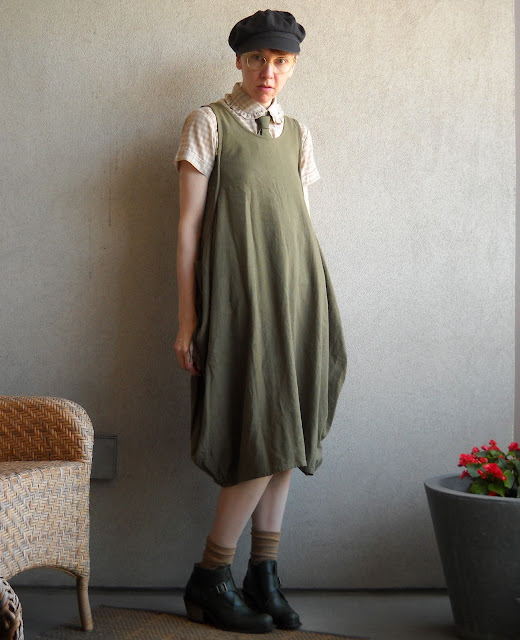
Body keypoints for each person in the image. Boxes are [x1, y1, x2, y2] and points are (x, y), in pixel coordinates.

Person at [174, 9, 347, 634]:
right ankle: (210, 575)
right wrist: (188, 318)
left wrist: (314, 298)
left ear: (291, 67)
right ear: (239, 61)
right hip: (239, 298)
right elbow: (189, 229)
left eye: (280, 62)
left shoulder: (297, 133)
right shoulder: (208, 123)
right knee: (262, 429)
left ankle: (262, 572)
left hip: (296, 294)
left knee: (288, 432)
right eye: (257, 59)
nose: (268, 72)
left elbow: (299, 221)